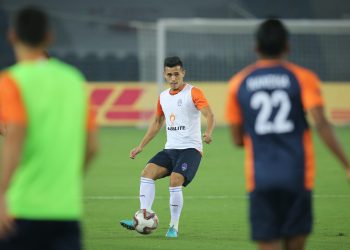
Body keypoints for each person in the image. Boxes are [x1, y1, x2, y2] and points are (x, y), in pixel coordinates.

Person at [225, 19, 350, 250]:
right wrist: (347, 165)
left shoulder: (238, 83)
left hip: (260, 178)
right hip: (297, 176)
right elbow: (321, 123)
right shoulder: (303, 78)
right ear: (287, 46)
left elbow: (236, 140)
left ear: (256, 47)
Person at [0, 6, 98, 250]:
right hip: (66, 211)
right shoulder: (73, 80)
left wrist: (2, 194)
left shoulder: (12, 81)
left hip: (23, 210)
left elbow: (14, 138)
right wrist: (64, 182)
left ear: (12, 35)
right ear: (49, 37)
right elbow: (92, 147)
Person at [120, 56, 215, 238]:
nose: (173, 78)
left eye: (177, 74)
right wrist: (141, 146)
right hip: (171, 149)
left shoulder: (193, 92)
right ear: (165, 75)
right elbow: (157, 122)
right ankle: (144, 216)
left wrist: (209, 132)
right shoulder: (163, 97)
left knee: (175, 180)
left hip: (190, 149)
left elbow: (209, 114)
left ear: (183, 73)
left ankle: (173, 226)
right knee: (147, 173)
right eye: (169, 75)